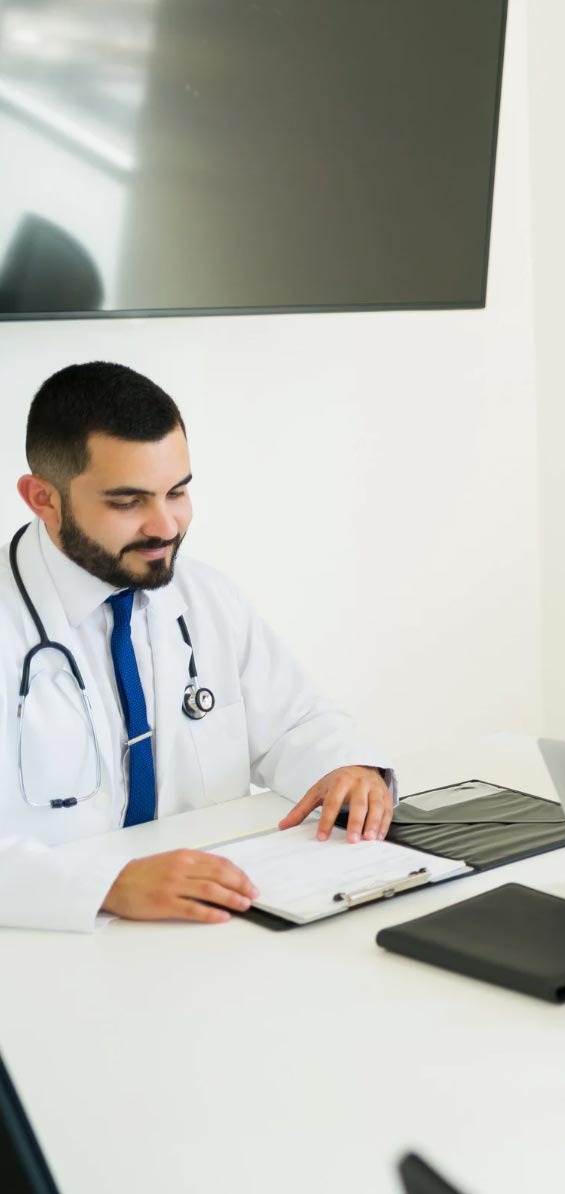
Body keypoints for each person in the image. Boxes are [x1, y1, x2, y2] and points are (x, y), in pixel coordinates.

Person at [0, 362, 393, 931]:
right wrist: (104, 885)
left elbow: (295, 724)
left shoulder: (204, 596)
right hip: (49, 950)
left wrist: (347, 767)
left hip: (211, 930)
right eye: (127, 502)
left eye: (178, 492)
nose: (166, 526)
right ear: (43, 498)